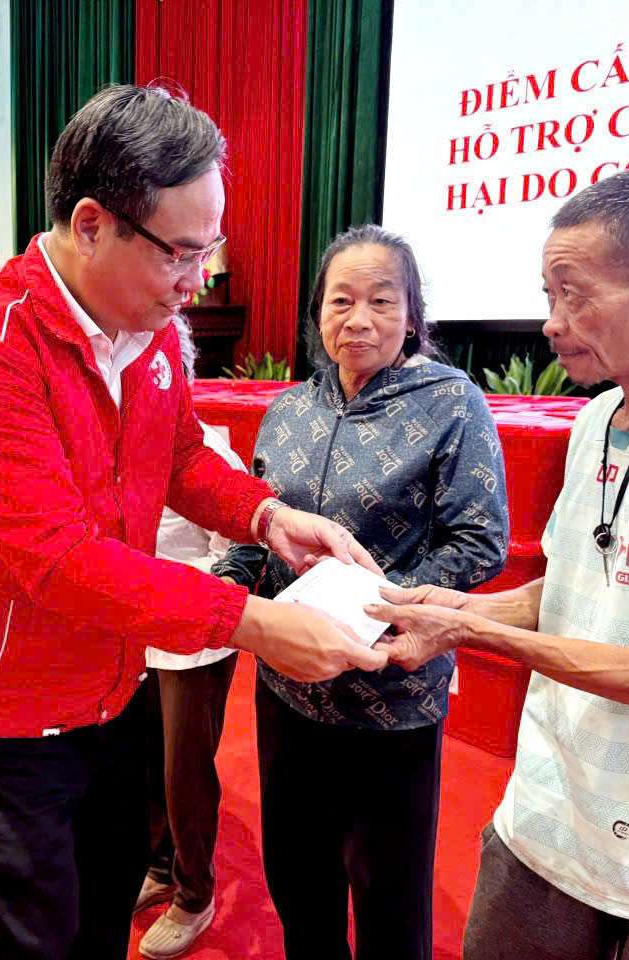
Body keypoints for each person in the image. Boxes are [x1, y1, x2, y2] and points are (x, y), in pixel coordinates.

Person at [0, 84, 388, 960]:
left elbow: (175, 460)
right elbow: (57, 560)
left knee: (96, 926)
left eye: (209, 253)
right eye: (181, 255)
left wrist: (266, 515)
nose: (196, 281)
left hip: (110, 691)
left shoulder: (151, 327)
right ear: (92, 223)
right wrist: (255, 624)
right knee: (18, 944)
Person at [368, 169, 629, 960]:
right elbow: (576, 592)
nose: (551, 324)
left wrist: (464, 635)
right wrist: (455, 606)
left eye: (572, 294)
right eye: (547, 294)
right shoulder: (595, 423)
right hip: (553, 812)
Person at [210, 224, 509, 960]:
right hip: (289, 688)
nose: (360, 320)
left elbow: (478, 542)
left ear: (412, 314)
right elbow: (259, 529)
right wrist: (222, 598)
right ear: (317, 312)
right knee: (298, 879)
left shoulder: (452, 403)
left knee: (389, 898)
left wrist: (374, 611)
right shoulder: (288, 412)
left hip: (393, 692)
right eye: (341, 300)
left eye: (383, 300)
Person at [136, 315, 248, 960]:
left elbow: (233, 555)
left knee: (183, 768)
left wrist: (167, 593)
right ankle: (156, 866)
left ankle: (193, 892)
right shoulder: (114, 440)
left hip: (192, 635)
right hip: (124, 628)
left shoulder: (209, 450)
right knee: (137, 759)